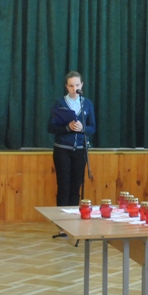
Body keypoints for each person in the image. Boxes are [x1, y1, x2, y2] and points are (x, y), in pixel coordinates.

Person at [48, 71, 96, 207]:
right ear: (66, 86)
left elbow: (92, 128)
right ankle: (61, 219)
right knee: (63, 187)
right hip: (62, 150)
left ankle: (73, 217)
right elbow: (51, 127)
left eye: (77, 85)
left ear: (82, 85)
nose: (74, 89)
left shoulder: (87, 103)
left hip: (80, 150)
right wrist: (67, 128)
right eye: (71, 86)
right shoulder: (60, 103)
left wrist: (82, 128)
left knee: (76, 187)